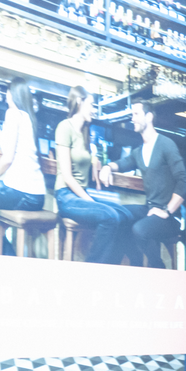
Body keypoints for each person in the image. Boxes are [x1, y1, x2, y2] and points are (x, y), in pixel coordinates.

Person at [99, 99, 186, 268]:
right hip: (150, 209)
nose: (132, 118)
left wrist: (167, 210)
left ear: (149, 116)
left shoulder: (166, 145)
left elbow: (184, 181)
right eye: (132, 114)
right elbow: (123, 163)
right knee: (119, 216)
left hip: (170, 217)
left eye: (136, 114)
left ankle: (158, 269)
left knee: (139, 230)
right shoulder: (139, 151)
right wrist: (107, 167)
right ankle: (134, 265)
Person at [53, 87, 135, 264]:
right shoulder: (64, 127)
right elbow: (67, 176)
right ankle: (92, 270)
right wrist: (89, 200)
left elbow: (88, 172)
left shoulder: (85, 133)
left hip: (80, 195)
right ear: (79, 102)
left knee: (126, 215)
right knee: (111, 217)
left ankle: (110, 268)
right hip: (66, 196)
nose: (94, 109)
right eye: (91, 104)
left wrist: (101, 168)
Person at [0, 77, 45, 256]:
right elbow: (8, 146)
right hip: (37, 197)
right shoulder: (27, 117)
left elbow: (7, 157)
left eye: (7, 91)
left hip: (22, 194)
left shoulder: (13, 113)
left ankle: (7, 254)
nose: (5, 95)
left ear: (13, 94)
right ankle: (6, 253)